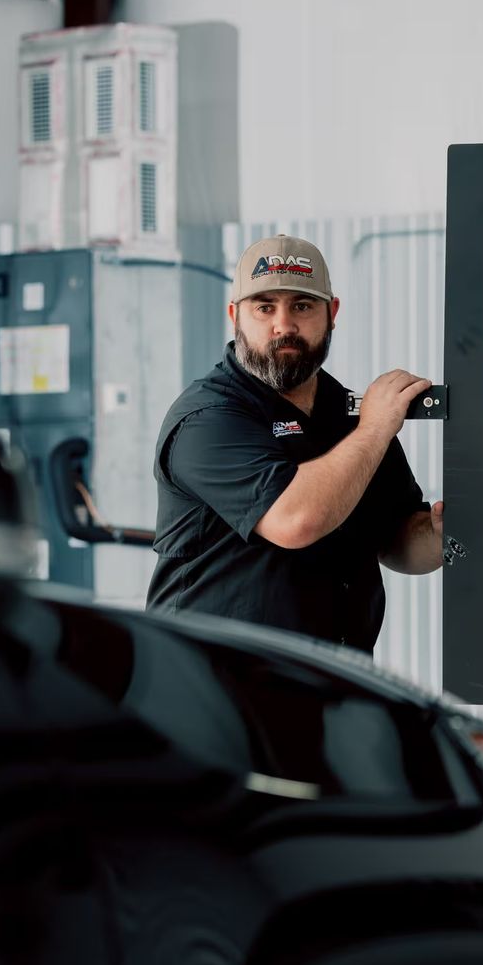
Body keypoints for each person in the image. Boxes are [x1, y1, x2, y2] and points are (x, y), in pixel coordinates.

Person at [147, 234, 445, 654]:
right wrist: (376, 427)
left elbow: (395, 540)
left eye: (302, 306)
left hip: (330, 676)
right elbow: (296, 520)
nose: (284, 325)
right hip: (215, 680)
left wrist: (439, 536)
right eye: (265, 307)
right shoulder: (207, 419)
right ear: (235, 315)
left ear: (332, 313)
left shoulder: (349, 415)